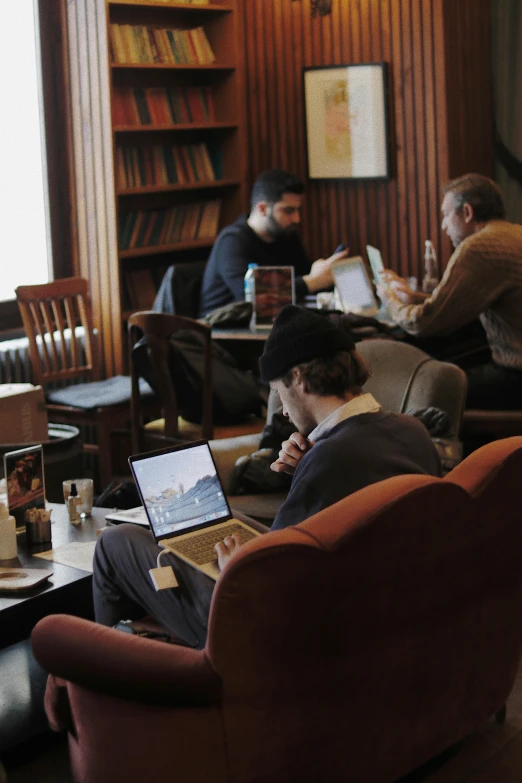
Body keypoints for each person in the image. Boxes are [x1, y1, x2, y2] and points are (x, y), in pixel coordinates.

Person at [93, 306, 440, 647]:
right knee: (225, 522)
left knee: (115, 542)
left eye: (277, 390)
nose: (283, 409)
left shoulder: (332, 459)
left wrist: (235, 571)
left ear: (299, 379)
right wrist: (306, 465)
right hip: (378, 606)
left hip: (271, 627)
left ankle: (114, 671)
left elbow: (276, 586)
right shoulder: (412, 432)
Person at [377, 174, 522, 409]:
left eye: (445, 214)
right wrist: (414, 298)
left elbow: (424, 323)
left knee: (427, 394)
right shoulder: (513, 233)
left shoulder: (479, 246)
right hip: (509, 368)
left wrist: (391, 301)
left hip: (514, 376)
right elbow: (468, 301)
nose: (443, 225)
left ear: (467, 212)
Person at [198, 169, 349, 316]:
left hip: (269, 324)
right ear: (263, 208)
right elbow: (253, 297)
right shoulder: (231, 241)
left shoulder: (287, 235)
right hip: (226, 333)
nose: (297, 219)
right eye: (288, 211)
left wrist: (326, 274)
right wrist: (313, 281)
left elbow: (305, 276)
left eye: (297, 210)